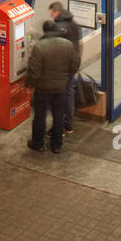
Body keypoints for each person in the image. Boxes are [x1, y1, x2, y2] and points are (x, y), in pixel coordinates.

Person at [25, 20, 79, 153]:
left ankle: (38, 143)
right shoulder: (68, 45)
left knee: (40, 116)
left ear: (45, 31)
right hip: (60, 88)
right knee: (59, 116)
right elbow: (75, 63)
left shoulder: (39, 47)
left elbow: (34, 70)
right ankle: (57, 145)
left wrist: (30, 85)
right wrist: (66, 77)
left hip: (42, 89)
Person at [49, 0, 81, 134]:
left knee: (59, 96)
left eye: (51, 13)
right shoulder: (74, 24)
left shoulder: (59, 26)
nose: (51, 16)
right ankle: (68, 125)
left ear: (56, 12)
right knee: (68, 92)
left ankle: (59, 128)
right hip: (74, 62)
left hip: (63, 66)